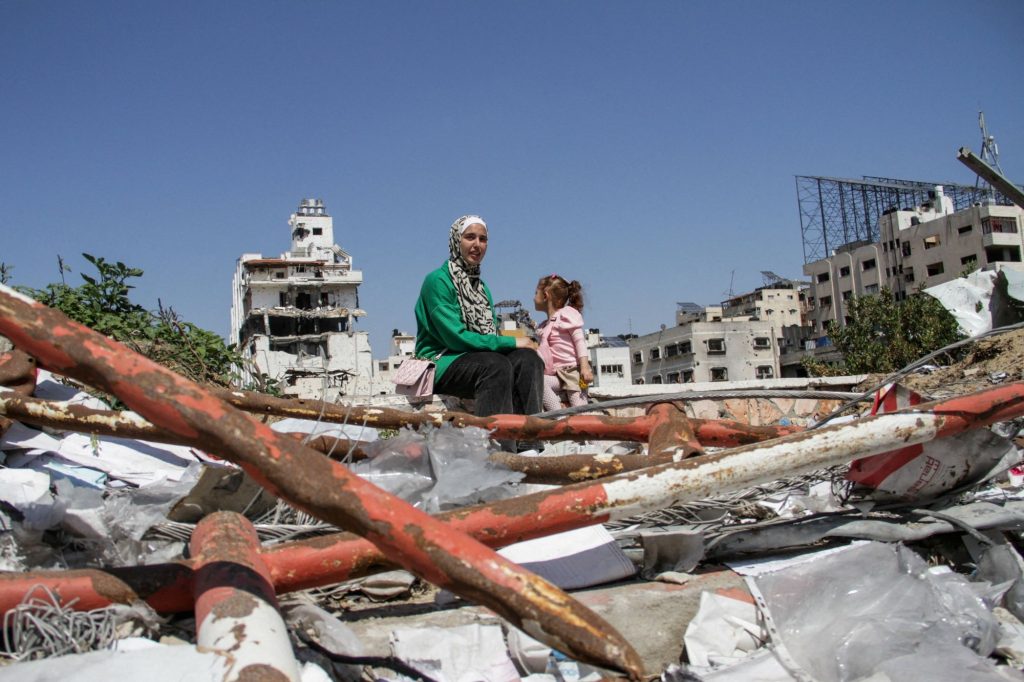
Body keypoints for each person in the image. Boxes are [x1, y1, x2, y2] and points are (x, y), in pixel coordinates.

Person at [414, 215, 543, 419]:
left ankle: (529, 443)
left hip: (477, 356)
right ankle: (495, 443)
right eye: (470, 237)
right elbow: (455, 338)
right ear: (456, 241)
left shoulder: (481, 288)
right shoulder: (438, 281)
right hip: (441, 360)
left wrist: (518, 345)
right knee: (495, 366)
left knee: (528, 359)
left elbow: (488, 332)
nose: (477, 245)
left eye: (482, 239)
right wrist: (512, 341)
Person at [533, 274, 594, 411]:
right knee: (539, 381)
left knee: (580, 410)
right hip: (557, 376)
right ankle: (559, 416)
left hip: (573, 373)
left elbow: (579, 341)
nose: (533, 297)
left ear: (546, 295)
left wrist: (584, 367)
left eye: (536, 292)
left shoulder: (566, 315)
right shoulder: (544, 325)